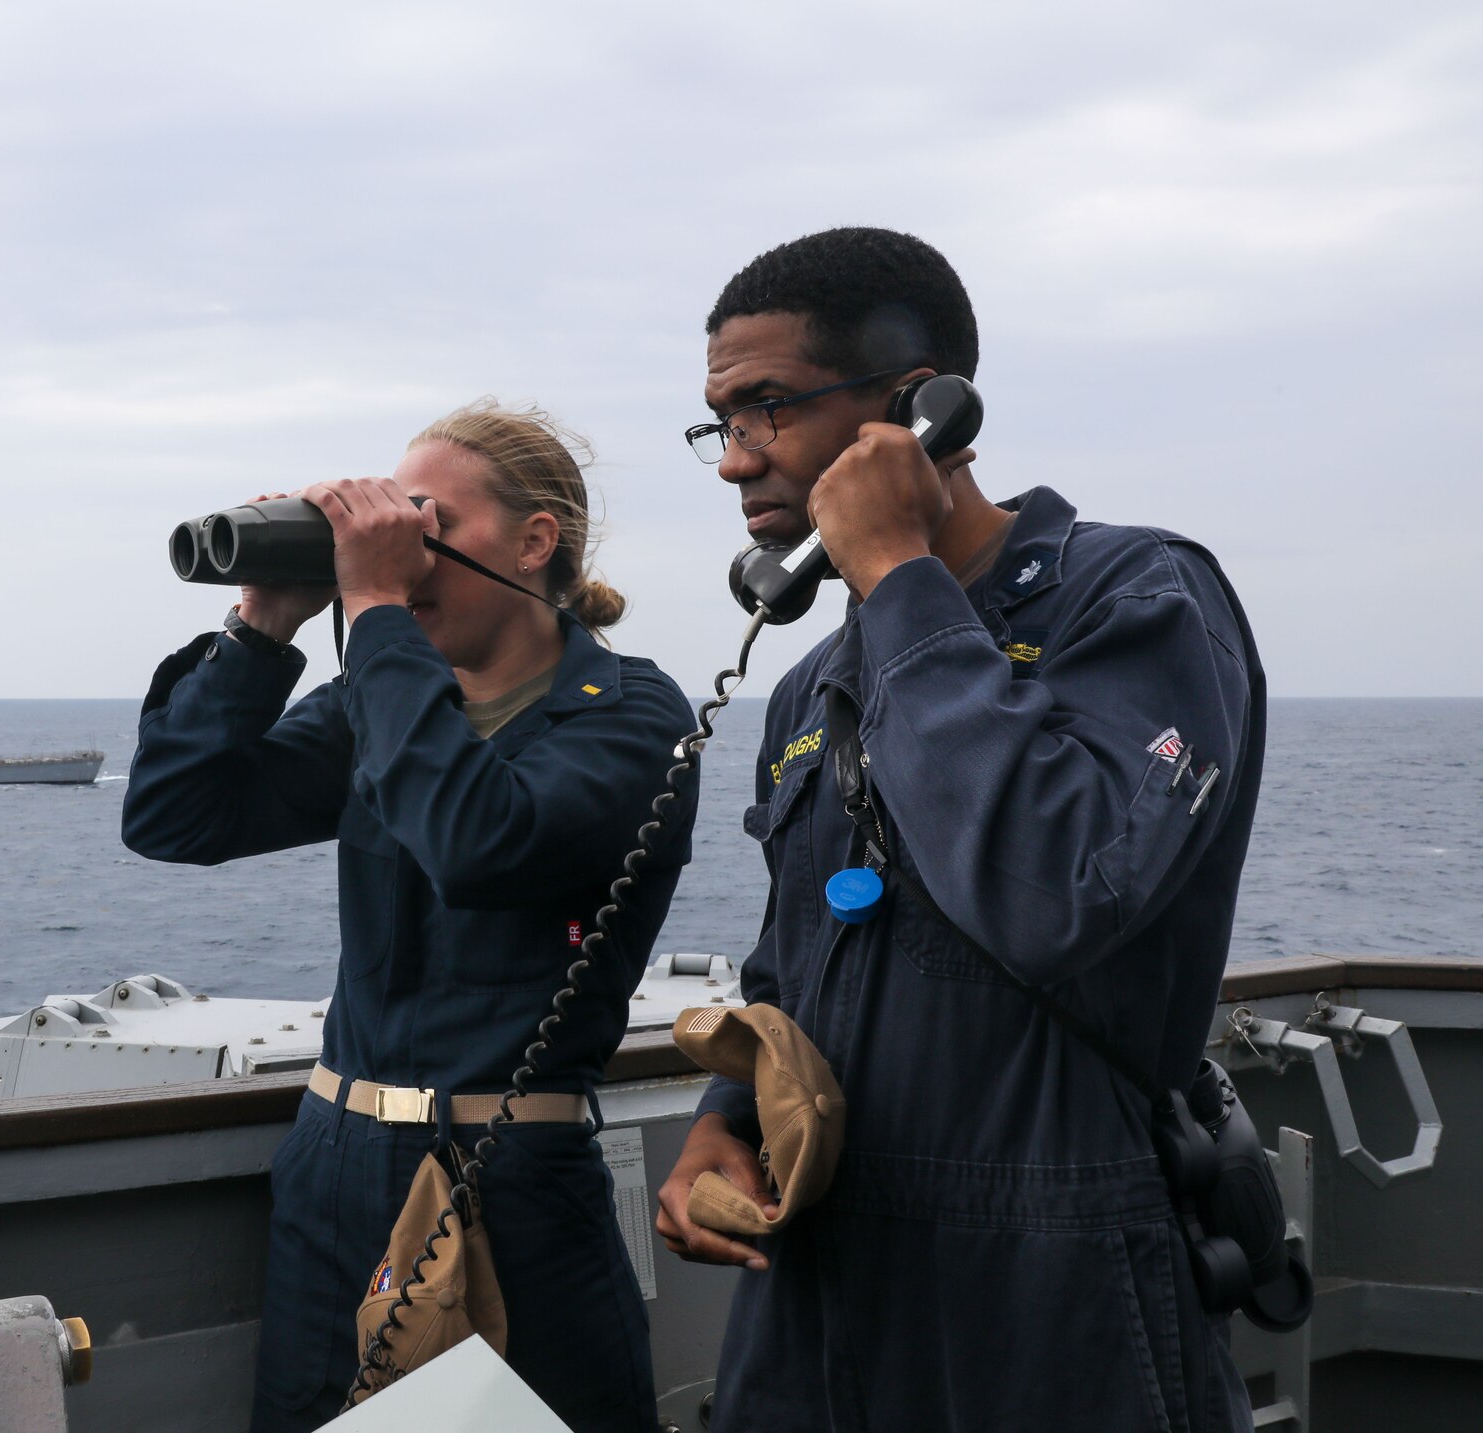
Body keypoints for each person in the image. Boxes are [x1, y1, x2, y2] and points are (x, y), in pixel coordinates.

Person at [652, 228, 1265, 1432]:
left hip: (1051, 1277)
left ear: (914, 408)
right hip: (819, 1287)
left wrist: (898, 574)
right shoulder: (813, 683)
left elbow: (1061, 888)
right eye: (717, 421)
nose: (734, 459)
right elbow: (794, 967)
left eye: (766, 407)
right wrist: (725, 1121)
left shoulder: (1135, 596)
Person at [124, 401, 697, 1433]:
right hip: (333, 1162)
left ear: (534, 541)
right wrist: (263, 624)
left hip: (508, 1177)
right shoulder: (375, 705)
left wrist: (380, 608)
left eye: (430, 521)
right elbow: (175, 815)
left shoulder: (626, 714)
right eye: (390, 521)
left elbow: (478, 842)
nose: (399, 547)